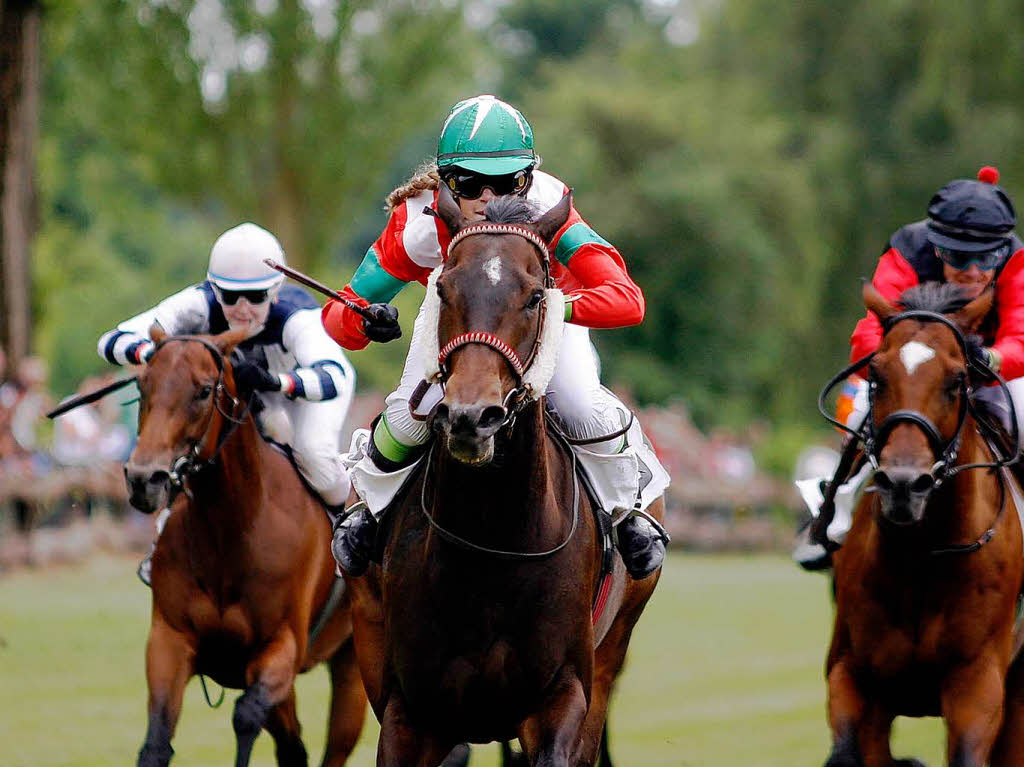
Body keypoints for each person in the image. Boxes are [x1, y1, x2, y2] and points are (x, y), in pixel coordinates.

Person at [321, 94, 671, 580]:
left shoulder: (551, 207)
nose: (488, 198)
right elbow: (338, 315)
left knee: (580, 404)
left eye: (508, 182)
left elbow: (627, 299)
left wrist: (548, 306)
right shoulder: (415, 221)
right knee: (409, 414)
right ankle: (366, 509)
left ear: (528, 179)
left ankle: (626, 509)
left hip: (541, 313)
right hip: (458, 316)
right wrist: (365, 319)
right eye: (469, 183)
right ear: (446, 183)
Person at [98, 222, 356, 584]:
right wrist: (156, 352)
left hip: (303, 393)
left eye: (256, 296)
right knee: (192, 454)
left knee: (314, 456)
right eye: (231, 296)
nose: (243, 308)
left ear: (276, 291)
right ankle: (162, 544)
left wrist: (277, 382)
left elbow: (333, 376)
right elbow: (112, 340)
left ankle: (355, 537)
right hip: (239, 397)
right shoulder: (196, 302)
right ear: (213, 288)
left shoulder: (297, 317)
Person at [794, 166, 1024, 569]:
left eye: (986, 259)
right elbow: (869, 331)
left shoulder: (1016, 257)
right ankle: (829, 522)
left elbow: (1020, 334)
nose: (973, 271)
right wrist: (895, 367)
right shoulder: (907, 248)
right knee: (857, 417)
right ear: (936, 248)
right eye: (959, 257)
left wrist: (988, 361)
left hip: (989, 372)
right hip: (911, 371)